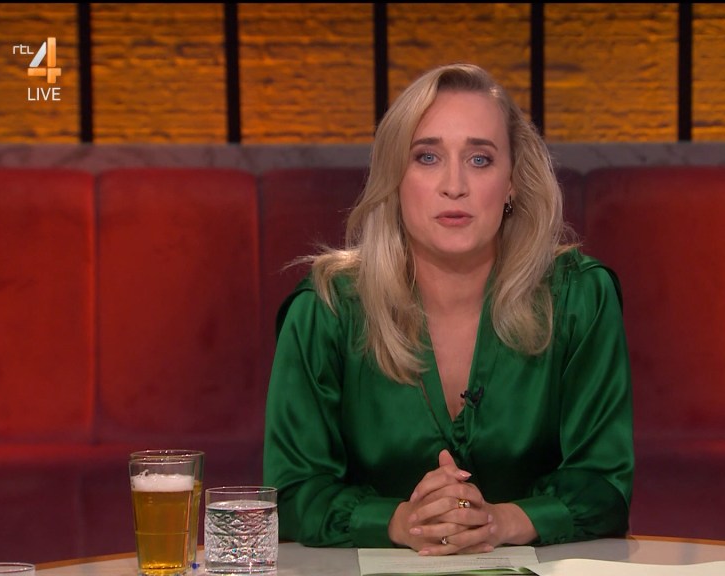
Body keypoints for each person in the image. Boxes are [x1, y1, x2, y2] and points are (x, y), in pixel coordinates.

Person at [263, 62, 633, 556]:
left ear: (512, 181)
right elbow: (292, 493)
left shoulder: (578, 298)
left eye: (480, 159)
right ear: (395, 177)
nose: (454, 185)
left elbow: (605, 485)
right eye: (427, 157)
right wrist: (400, 522)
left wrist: (500, 521)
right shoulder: (327, 308)